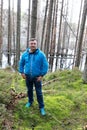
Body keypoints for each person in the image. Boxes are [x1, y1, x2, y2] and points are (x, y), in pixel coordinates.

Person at [19, 38, 49, 116]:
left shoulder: (41, 55)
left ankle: (41, 107)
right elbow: (21, 63)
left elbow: (45, 65)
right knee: (29, 90)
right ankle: (30, 102)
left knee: (39, 92)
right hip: (28, 76)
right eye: (31, 43)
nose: (33, 45)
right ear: (29, 44)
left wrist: (42, 75)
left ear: (36, 44)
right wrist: (22, 72)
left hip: (37, 77)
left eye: (34, 43)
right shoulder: (25, 54)